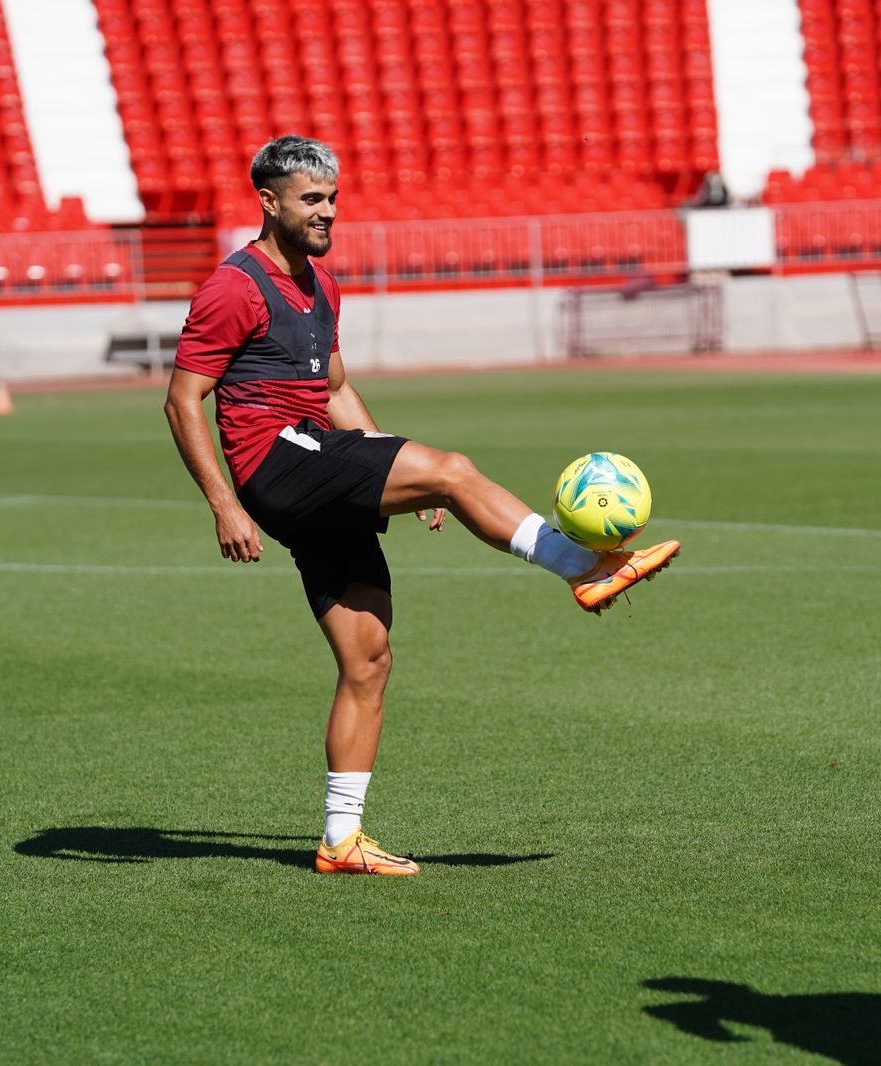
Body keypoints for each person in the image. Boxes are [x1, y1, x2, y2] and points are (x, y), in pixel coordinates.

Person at [163, 135, 680, 877]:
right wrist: (225, 505)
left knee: (368, 661)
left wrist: (388, 464)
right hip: (275, 462)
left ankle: (341, 841)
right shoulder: (233, 287)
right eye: (312, 199)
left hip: (317, 461)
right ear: (268, 202)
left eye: (333, 199)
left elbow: (336, 390)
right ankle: (582, 568)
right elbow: (184, 400)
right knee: (457, 469)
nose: (327, 212)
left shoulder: (322, 285)